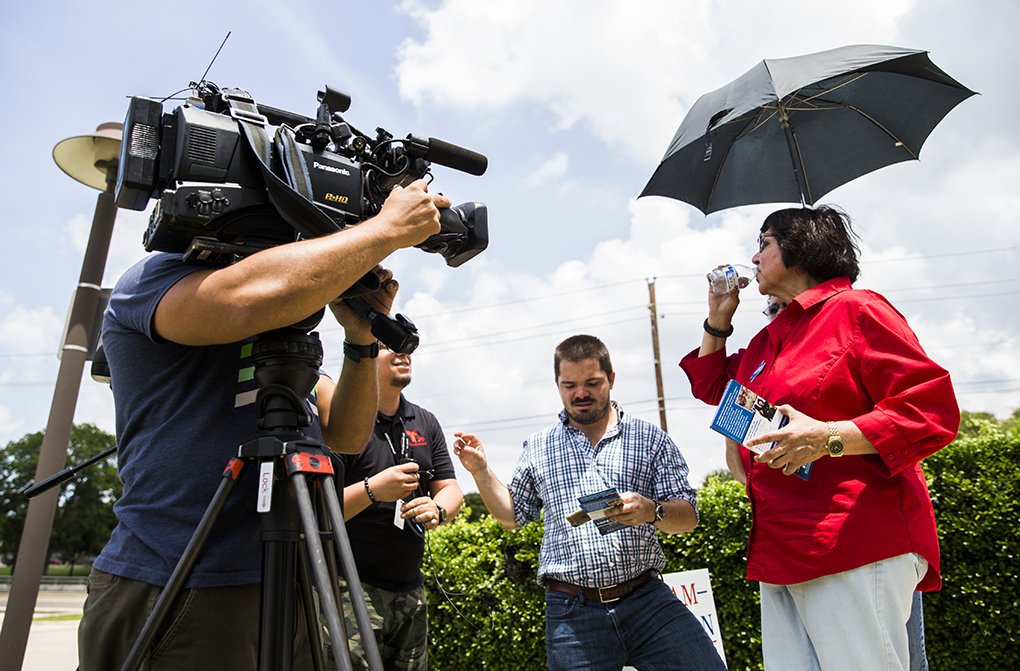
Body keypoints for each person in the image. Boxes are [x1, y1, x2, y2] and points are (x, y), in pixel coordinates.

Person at [77, 180, 451, 671]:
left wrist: (359, 338)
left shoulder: (288, 325)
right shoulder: (154, 279)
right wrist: (384, 229)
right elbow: (244, 301)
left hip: (291, 580)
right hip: (179, 576)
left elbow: (345, 436)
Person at [681, 206, 958, 670]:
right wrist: (718, 318)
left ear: (800, 248)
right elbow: (710, 385)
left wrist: (826, 436)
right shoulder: (772, 338)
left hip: (852, 539)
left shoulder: (858, 309)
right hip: (781, 548)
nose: (753, 256)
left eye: (764, 242)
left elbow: (930, 411)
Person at [453, 334, 726, 671]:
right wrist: (481, 472)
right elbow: (513, 516)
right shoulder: (539, 446)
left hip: (647, 600)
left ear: (611, 379)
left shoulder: (648, 437)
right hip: (572, 611)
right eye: (570, 385)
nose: (580, 393)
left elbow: (688, 518)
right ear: (557, 385)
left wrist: (652, 511)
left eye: (592, 383)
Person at [332, 342, 463, 670]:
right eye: (390, 345)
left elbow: (450, 488)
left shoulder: (424, 421)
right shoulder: (342, 421)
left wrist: (438, 510)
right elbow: (321, 511)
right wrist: (373, 490)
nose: (403, 353)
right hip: (350, 586)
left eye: (407, 345)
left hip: (411, 589)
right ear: (364, 357)